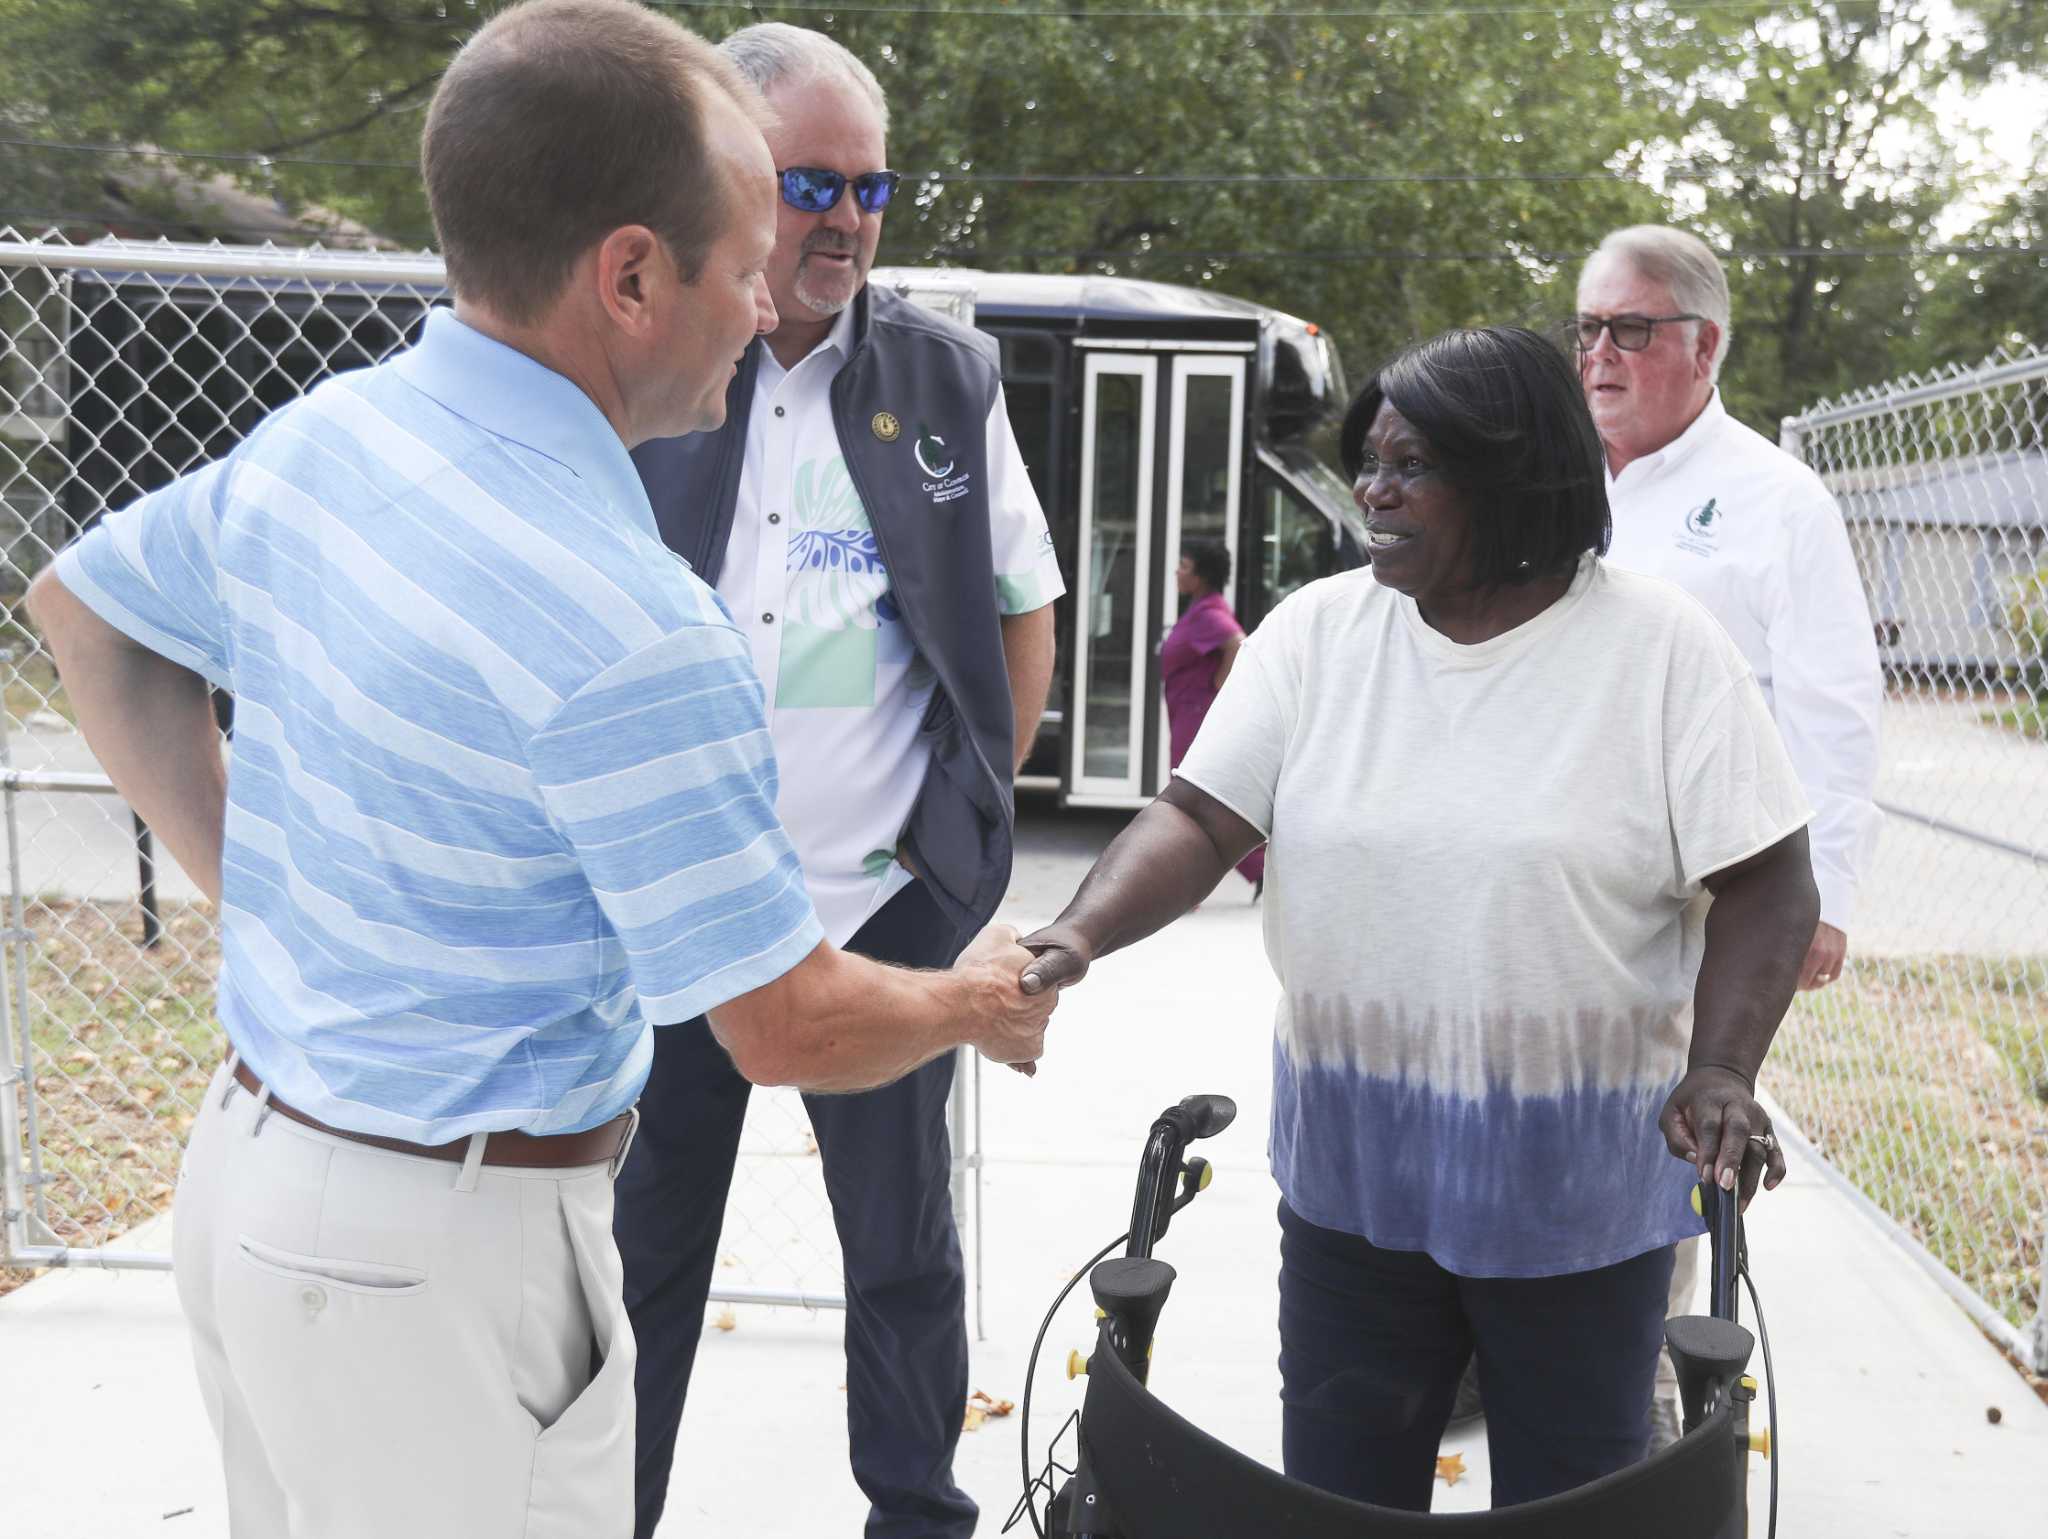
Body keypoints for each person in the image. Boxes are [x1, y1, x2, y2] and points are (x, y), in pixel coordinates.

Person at [24, 5, 1054, 1534]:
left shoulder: (334, 437)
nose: (770, 292)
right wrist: (981, 997)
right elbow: (780, 1020)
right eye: (744, 256)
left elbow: (85, 613)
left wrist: (259, 898)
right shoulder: (635, 617)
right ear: (632, 275)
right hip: (437, 1258)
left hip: (253, 1172)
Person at [1019, 326, 1817, 1512]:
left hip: (1577, 1202)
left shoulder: (1658, 653)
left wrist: (1720, 1070)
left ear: (1515, 480)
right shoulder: (1315, 634)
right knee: (1341, 1500)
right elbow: (1197, 818)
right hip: (1355, 1186)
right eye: (1369, 463)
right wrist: (1072, 934)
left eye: (1411, 468)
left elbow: (1768, 878)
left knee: (1569, 1504)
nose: (1373, 494)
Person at [617, 24, 1064, 1539]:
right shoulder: (651, 352)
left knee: (905, 1253)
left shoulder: (944, 373)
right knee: (640, 1253)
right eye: (810, 180)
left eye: (873, 185)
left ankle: (918, 1516)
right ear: (729, 176)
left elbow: (1019, 603)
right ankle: (612, 1508)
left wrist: (962, 838)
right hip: (671, 915)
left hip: (879, 910)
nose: (848, 217)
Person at [1576, 223, 1882, 1445]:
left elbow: (1831, 706)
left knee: (1675, 1119)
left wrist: (1827, 894)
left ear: (1701, 346)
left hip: (1717, 888)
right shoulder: (1558, 479)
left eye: (1629, 330)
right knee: (1557, 1103)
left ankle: (1648, 1385)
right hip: (1567, 875)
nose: (1598, 354)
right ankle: (1509, 1345)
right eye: (1587, 328)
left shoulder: (1773, 500)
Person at [1160, 540, 1262, 894]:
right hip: (1186, 712)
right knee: (1201, 801)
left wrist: (1222, 682)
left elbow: (1237, 642)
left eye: (1185, 566)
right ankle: (1258, 871)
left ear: (1201, 576)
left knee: (1191, 801)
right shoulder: (1200, 607)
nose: (1178, 571)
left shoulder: (1209, 613)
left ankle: (1189, 883)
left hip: (1196, 715)